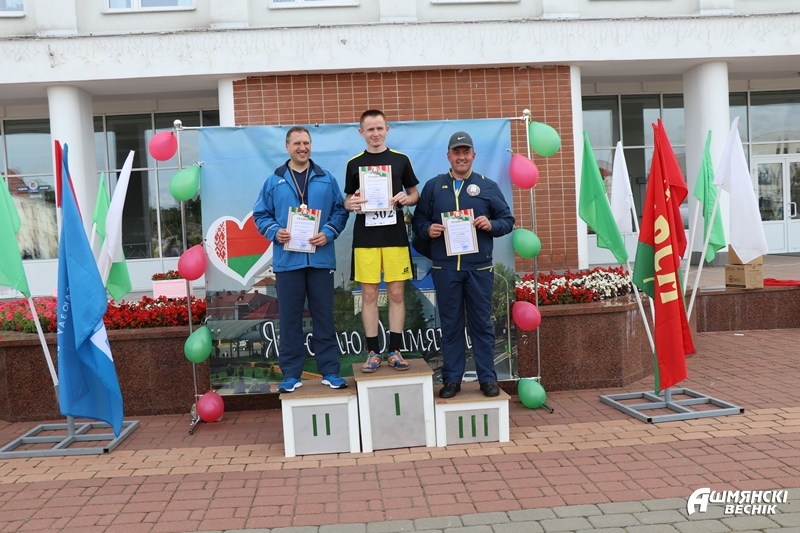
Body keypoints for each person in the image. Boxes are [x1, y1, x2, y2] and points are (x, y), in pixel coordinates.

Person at [412, 131, 515, 398]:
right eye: (456, 152)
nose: (461, 157)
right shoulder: (434, 186)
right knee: (451, 325)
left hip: (479, 268)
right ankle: (452, 380)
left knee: (482, 324)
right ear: (448, 156)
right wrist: (428, 229)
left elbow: (507, 221)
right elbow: (418, 221)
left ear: (473, 155)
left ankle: (488, 379)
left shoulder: (487, 186)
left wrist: (491, 224)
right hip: (445, 268)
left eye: (466, 152)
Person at [253, 126, 349, 393]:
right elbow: (260, 215)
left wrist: (328, 232)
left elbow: (340, 211)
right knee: (290, 320)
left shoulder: (326, 178)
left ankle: (330, 371)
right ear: (287, 147)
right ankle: (291, 375)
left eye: (306, 143)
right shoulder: (274, 181)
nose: (302, 147)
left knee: (324, 317)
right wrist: (275, 231)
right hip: (288, 262)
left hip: (320, 261)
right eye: (297, 143)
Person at [344, 110, 419, 373]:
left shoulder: (401, 160)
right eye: (370, 129)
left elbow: (414, 193)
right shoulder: (354, 163)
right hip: (365, 238)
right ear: (361, 132)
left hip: (395, 236)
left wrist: (407, 199)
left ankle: (395, 351)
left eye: (379, 128)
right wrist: (350, 203)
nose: (375, 133)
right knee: (369, 295)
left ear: (387, 129)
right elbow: (347, 199)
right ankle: (373, 352)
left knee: (397, 293)